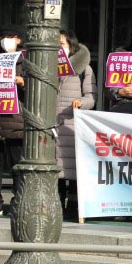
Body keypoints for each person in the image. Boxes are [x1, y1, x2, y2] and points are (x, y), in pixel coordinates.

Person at [56, 30, 97, 221]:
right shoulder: (47, 66)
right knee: (54, 172)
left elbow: (91, 96)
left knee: (74, 171)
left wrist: (81, 102)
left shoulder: (84, 68)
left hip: (72, 126)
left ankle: (73, 207)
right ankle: (55, 206)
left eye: (62, 44)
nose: (59, 48)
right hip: (51, 127)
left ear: (71, 46)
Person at [0, 25, 26, 216]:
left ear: (18, 39)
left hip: (16, 119)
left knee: (17, 164)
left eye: (10, 37)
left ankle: (17, 201)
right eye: (2, 37)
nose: (5, 40)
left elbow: (34, 86)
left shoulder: (25, 59)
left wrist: (22, 81)